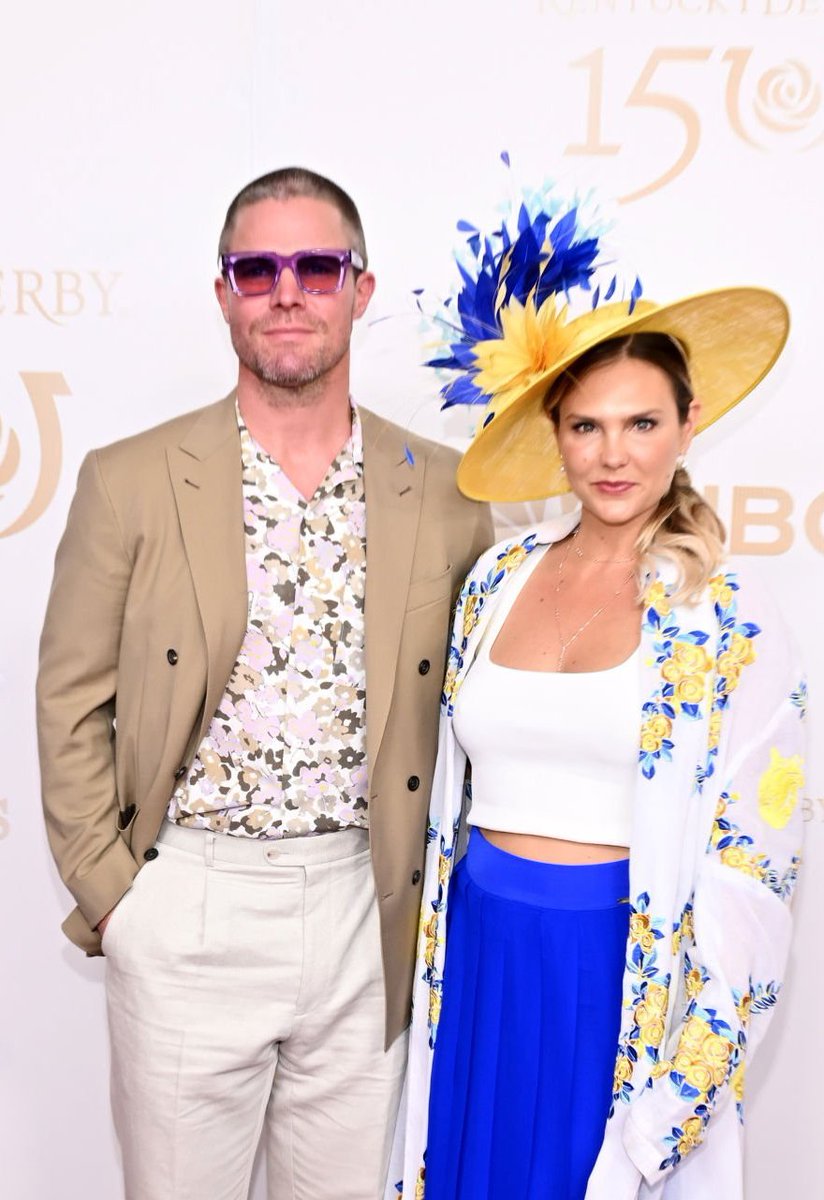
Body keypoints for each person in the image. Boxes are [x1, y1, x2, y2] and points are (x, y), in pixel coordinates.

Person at [36, 166, 492, 1200]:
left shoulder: (450, 491)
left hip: (362, 910)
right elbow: (71, 702)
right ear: (224, 294)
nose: (288, 291)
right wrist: (120, 902)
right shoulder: (129, 478)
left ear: (359, 290)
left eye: (316, 266)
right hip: (188, 901)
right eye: (258, 268)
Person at [388, 193, 806, 1200]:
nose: (611, 454)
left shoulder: (729, 622)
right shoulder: (494, 580)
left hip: (611, 987)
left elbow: (755, 886)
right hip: (480, 968)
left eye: (638, 423)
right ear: (554, 434)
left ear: (686, 424)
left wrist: (661, 1119)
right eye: (584, 426)